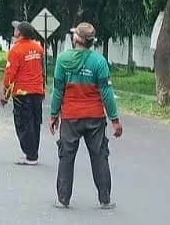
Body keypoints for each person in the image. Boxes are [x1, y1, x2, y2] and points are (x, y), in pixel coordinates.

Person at [49, 22, 122, 210]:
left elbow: (58, 91)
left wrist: (54, 115)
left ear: (76, 39)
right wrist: (114, 120)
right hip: (95, 117)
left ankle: (63, 199)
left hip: (70, 117)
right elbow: (106, 93)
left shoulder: (62, 60)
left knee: (66, 157)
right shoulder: (99, 62)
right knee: (99, 156)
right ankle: (105, 200)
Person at [0, 21, 45, 165]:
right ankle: (33, 153)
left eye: (16, 29)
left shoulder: (16, 50)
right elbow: (41, 70)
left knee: (24, 124)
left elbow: (10, 74)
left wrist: (4, 93)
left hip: (22, 92)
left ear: (19, 33)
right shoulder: (38, 48)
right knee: (35, 122)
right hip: (37, 91)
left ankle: (30, 156)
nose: (14, 30)